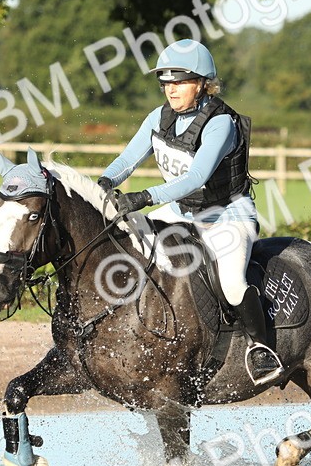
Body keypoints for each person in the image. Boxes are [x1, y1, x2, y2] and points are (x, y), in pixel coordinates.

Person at [97, 39, 284, 386]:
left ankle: (261, 349)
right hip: (182, 211)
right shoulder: (159, 117)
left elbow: (195, 178)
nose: (171, 89)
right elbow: (127, 160)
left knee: (230, 283)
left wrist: (145, 197)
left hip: (227, 214)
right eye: (166, 82)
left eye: (180, 82)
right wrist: (105, 182)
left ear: (202, 83)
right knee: (132, 246)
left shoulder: (220, 123)